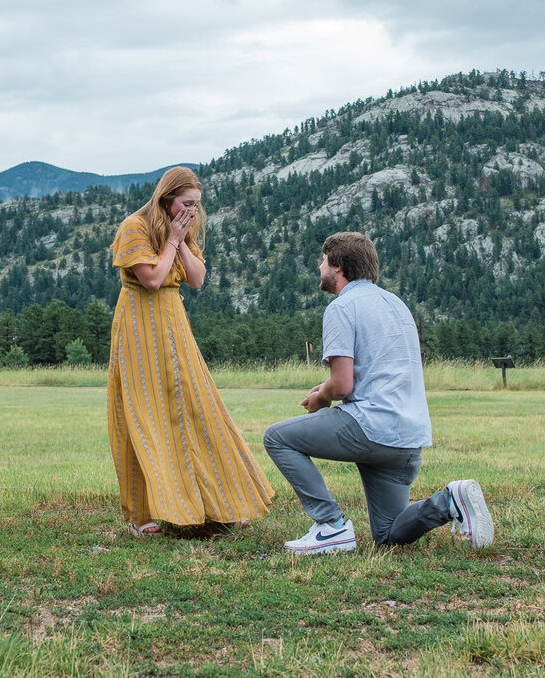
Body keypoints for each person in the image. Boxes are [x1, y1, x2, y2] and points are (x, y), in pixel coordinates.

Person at [263, 231, 494, 554]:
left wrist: (322, 396)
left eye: (323, 261)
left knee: (277, 437)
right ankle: (448, 500)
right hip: (409, 438)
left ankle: (330, 525)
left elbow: (343, 385)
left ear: (338, 266)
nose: (319, 267)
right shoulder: (397, 305)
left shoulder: (342, 308)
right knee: (387, 534)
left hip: (371, 427)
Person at [107, 166, 274, 536]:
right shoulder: (133, 227)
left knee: (198, 409)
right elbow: (151, 279)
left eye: (196, 205)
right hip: (139, 325)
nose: (192, 212)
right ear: (166, 200)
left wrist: (180, 239)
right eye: (186, 204)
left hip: (173, 323)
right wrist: (170, 241)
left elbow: (196, 279)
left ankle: (219, 505)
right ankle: (143, 515)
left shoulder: (184, 229)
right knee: (144, 414)